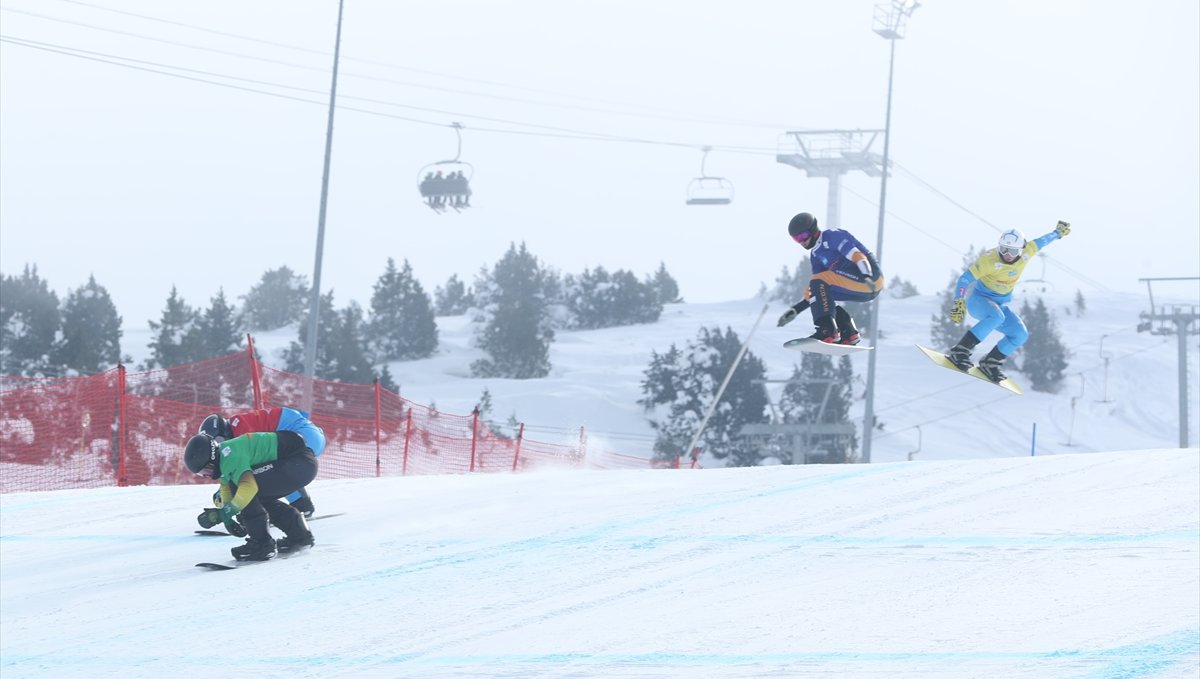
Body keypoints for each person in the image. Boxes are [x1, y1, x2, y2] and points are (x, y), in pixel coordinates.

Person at [944, 220, 1072, 382]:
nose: (1007, 254)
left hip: (998, 306)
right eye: (1004, 249)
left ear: (1021, 249)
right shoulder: (990, 260)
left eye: (1012, 250)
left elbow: (1043, 240)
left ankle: (990, 363)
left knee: (1020, 334)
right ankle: (960, 351)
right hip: (979, 301)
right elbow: (964, 279)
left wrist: (1058, 233)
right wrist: (958, 301)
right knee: (997, 317)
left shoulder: (1028, 251)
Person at [185, 430, 318, 561]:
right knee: (248, 494)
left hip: (298, 462)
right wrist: (227, 519)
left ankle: (262, 545)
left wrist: (224, 514)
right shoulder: (224, 456)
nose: (207, 475)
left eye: (207, 469)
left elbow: (248, 488)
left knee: (244, 490)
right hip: (301, 463)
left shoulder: (230, 457)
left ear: (212, 458)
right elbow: (226, 489)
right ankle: (299, 536)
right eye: (202, 474)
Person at [776, 212, 884, 344]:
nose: (802, 242)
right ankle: (848, 332)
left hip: (870, 277)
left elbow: (856, 255)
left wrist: (867, 275)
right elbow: (816, 290)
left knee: (818, 282)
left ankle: (827, 331)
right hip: (859, 284)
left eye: (803, 236)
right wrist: (796, 310)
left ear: (813, 230)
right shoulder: (815, 255)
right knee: (821, 290)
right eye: (797, 239)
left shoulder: (832, 236)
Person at [198, 407, 325, 517]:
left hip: (305, 439)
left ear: (224, 432)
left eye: (219, 441)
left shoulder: (239, 435)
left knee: (257, 475)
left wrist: (228, 497)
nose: (219, 447)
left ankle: (300, 505)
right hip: (309, 435)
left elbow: (239, 473)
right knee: (267, 470)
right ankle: (301, 503)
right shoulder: (235, 427)